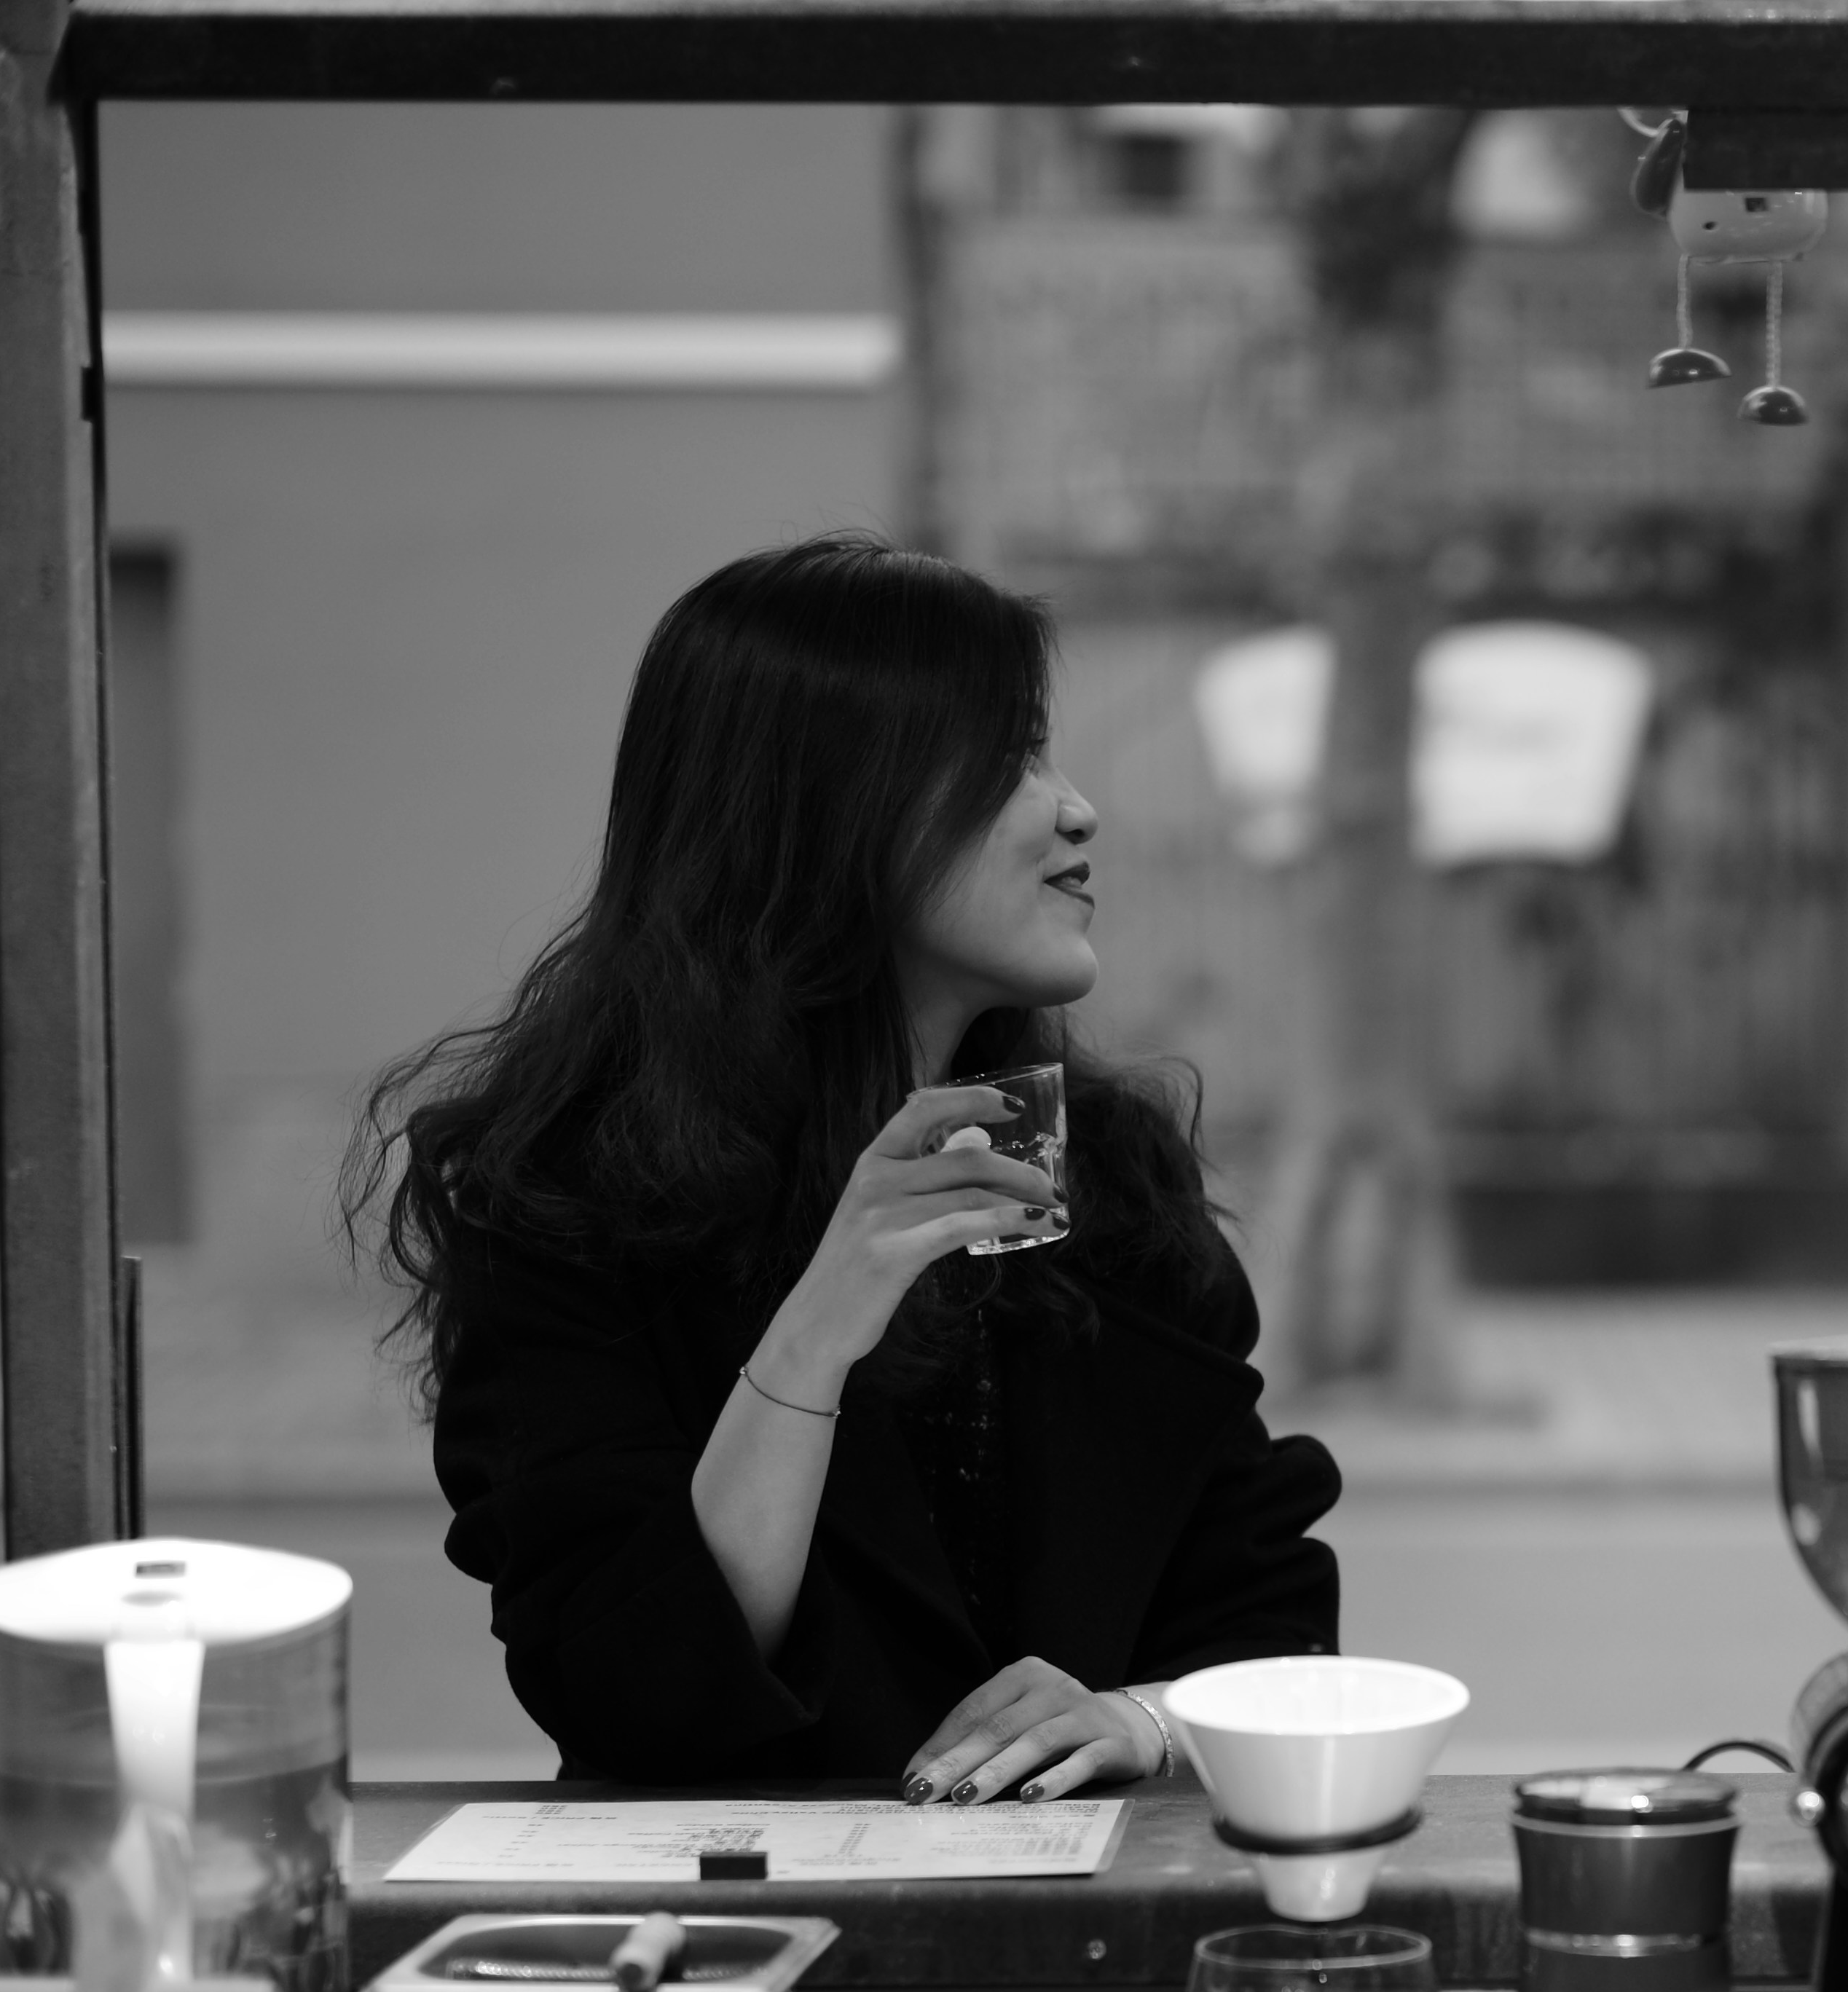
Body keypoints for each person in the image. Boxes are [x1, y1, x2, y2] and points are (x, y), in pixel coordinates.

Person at [353, 534, 1338, 1794]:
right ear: (820, 807)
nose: (1076, 807)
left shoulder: (1106, 1175)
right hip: (741, 1964)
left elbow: (1270, 1622)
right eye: (1005, 760)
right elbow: (628, 1693)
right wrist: (816, 1335)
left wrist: (1140, 1720)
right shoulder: (563, 1196)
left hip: (1099, 1963)